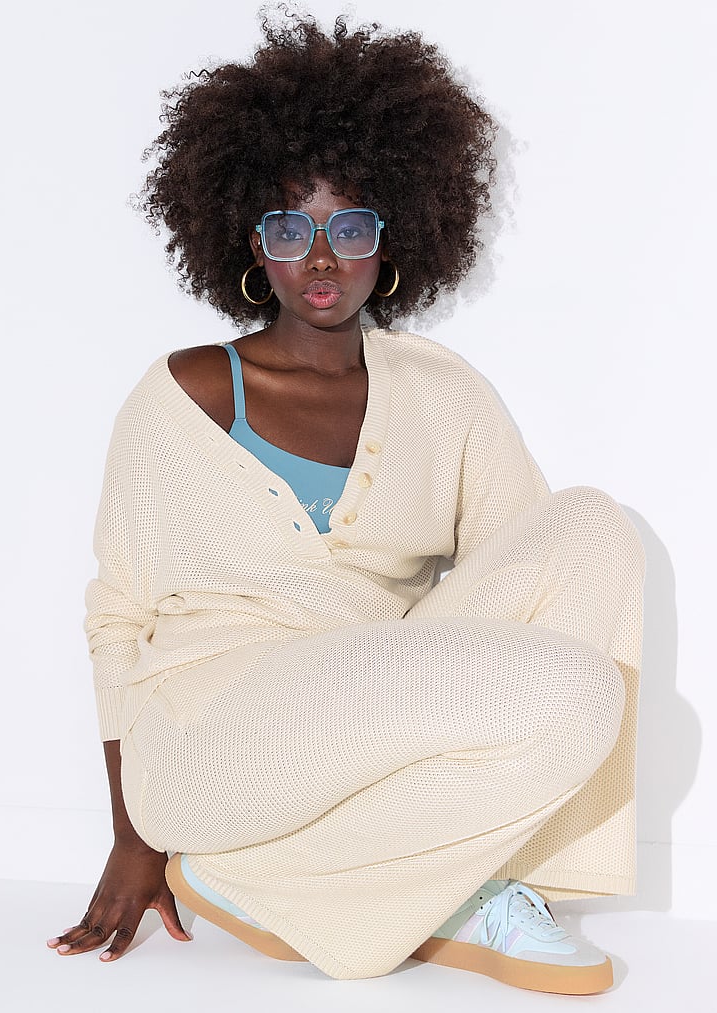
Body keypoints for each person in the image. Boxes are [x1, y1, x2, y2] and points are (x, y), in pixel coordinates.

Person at [46, 11, 645, 994]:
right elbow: (116, 618)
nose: (320, 257)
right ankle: (394, 884)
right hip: (208, 735)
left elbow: (525, 584)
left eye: (349, 226)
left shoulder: (444, 392)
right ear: (251, 241)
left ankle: (339, 881)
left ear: (391, 236)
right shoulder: (184, 394)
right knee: (576, 690)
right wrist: (131, 837)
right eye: (290, 227)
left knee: (590, 529)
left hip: (362, 711)